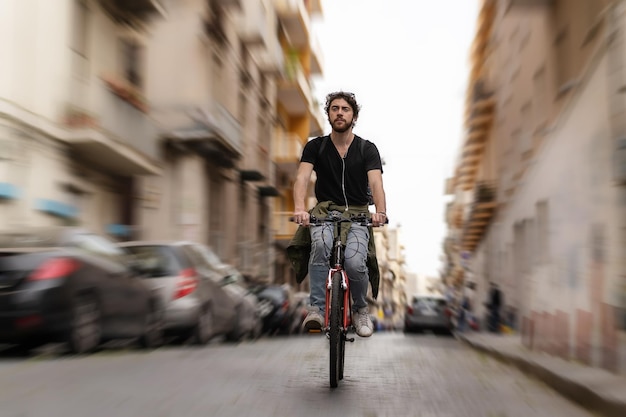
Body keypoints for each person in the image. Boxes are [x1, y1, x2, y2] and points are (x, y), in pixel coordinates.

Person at [289, 91, 387, 338]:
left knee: (355, 263)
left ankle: (360, 309)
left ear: (353, 116)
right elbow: (301, 178)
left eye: (345, 109)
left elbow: (376, 184)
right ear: (329, 114)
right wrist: (300, 209)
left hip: (357, 215)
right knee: (320, 246)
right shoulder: (315, 147)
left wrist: (381, 212)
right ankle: (317, 310)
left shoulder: (367, 149)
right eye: (335, 108)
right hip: (325, 212)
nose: (339, 112)